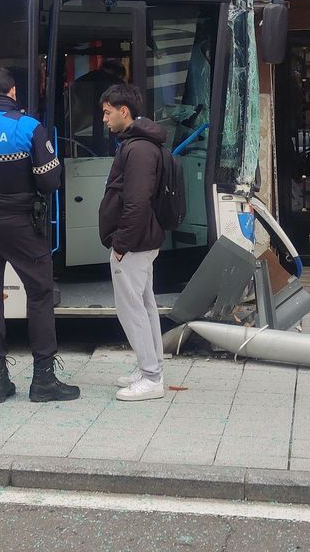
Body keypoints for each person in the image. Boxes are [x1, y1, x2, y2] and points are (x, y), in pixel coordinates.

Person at [0, 68, 80, 403]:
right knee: (39, 295)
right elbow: (50, 181)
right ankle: (43, 381)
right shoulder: (27, 127)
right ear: (13, 92)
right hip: (23, 225)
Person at [98, 83, 168, 402]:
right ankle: (150, 367)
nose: (104, 119)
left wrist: (121, 243)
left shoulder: (137, 149)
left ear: (123, 111)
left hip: (134, 243)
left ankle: (151, 377)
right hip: (141, 240)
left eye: (107, 112)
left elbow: (136, 201)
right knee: (145, 304)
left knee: (131, 309)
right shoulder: (140, 143)